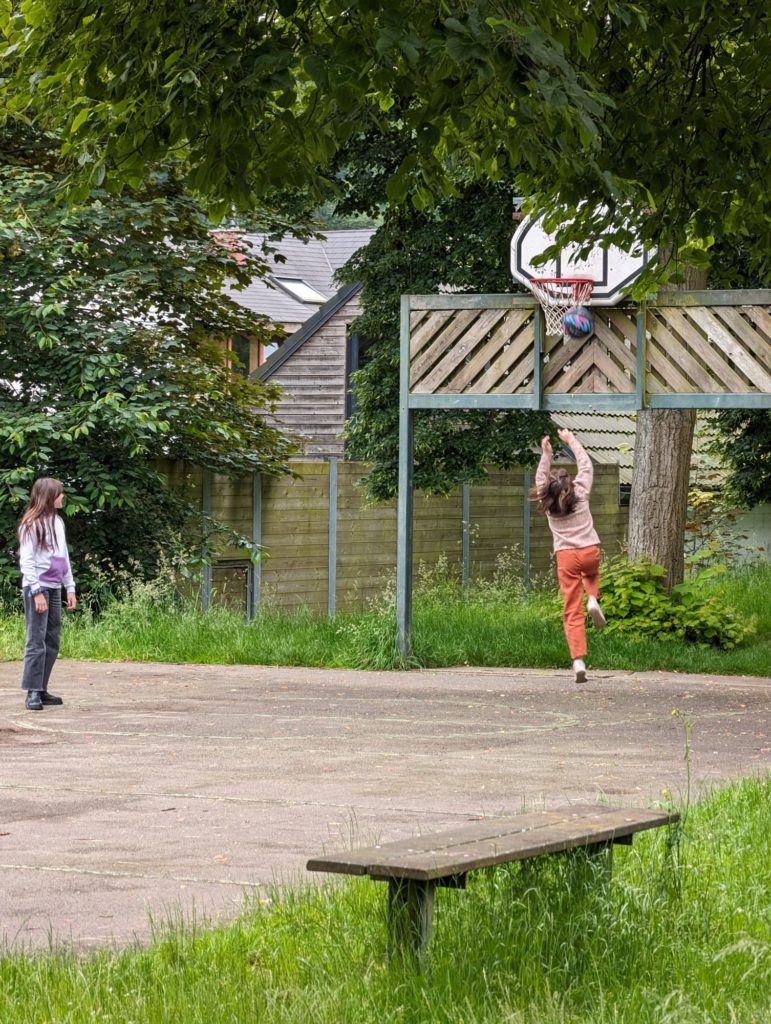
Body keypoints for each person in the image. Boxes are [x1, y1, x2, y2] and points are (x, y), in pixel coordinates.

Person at [531, 429, 606, 684]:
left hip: (565, 556)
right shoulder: (581, 493)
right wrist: (570, 440)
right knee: (592, 572)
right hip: (589, 551)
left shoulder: (549, 506)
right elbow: (585, 463)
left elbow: (541, 478)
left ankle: (578, 661)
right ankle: (594, 597)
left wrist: (546, 454)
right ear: (569, 485)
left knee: (571, 610)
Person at [18, 478, 77, 710]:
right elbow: (27, 561)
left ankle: (42, 689)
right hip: (38, 588)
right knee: (36, 640)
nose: (63, 497)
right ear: (50, 496)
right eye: (60, 494)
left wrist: (69, 587)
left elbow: (63, 558)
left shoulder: (58, 522)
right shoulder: (30, 525)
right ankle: (31, 691)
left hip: (54, 588)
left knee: (52, 639)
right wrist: (36, 591)